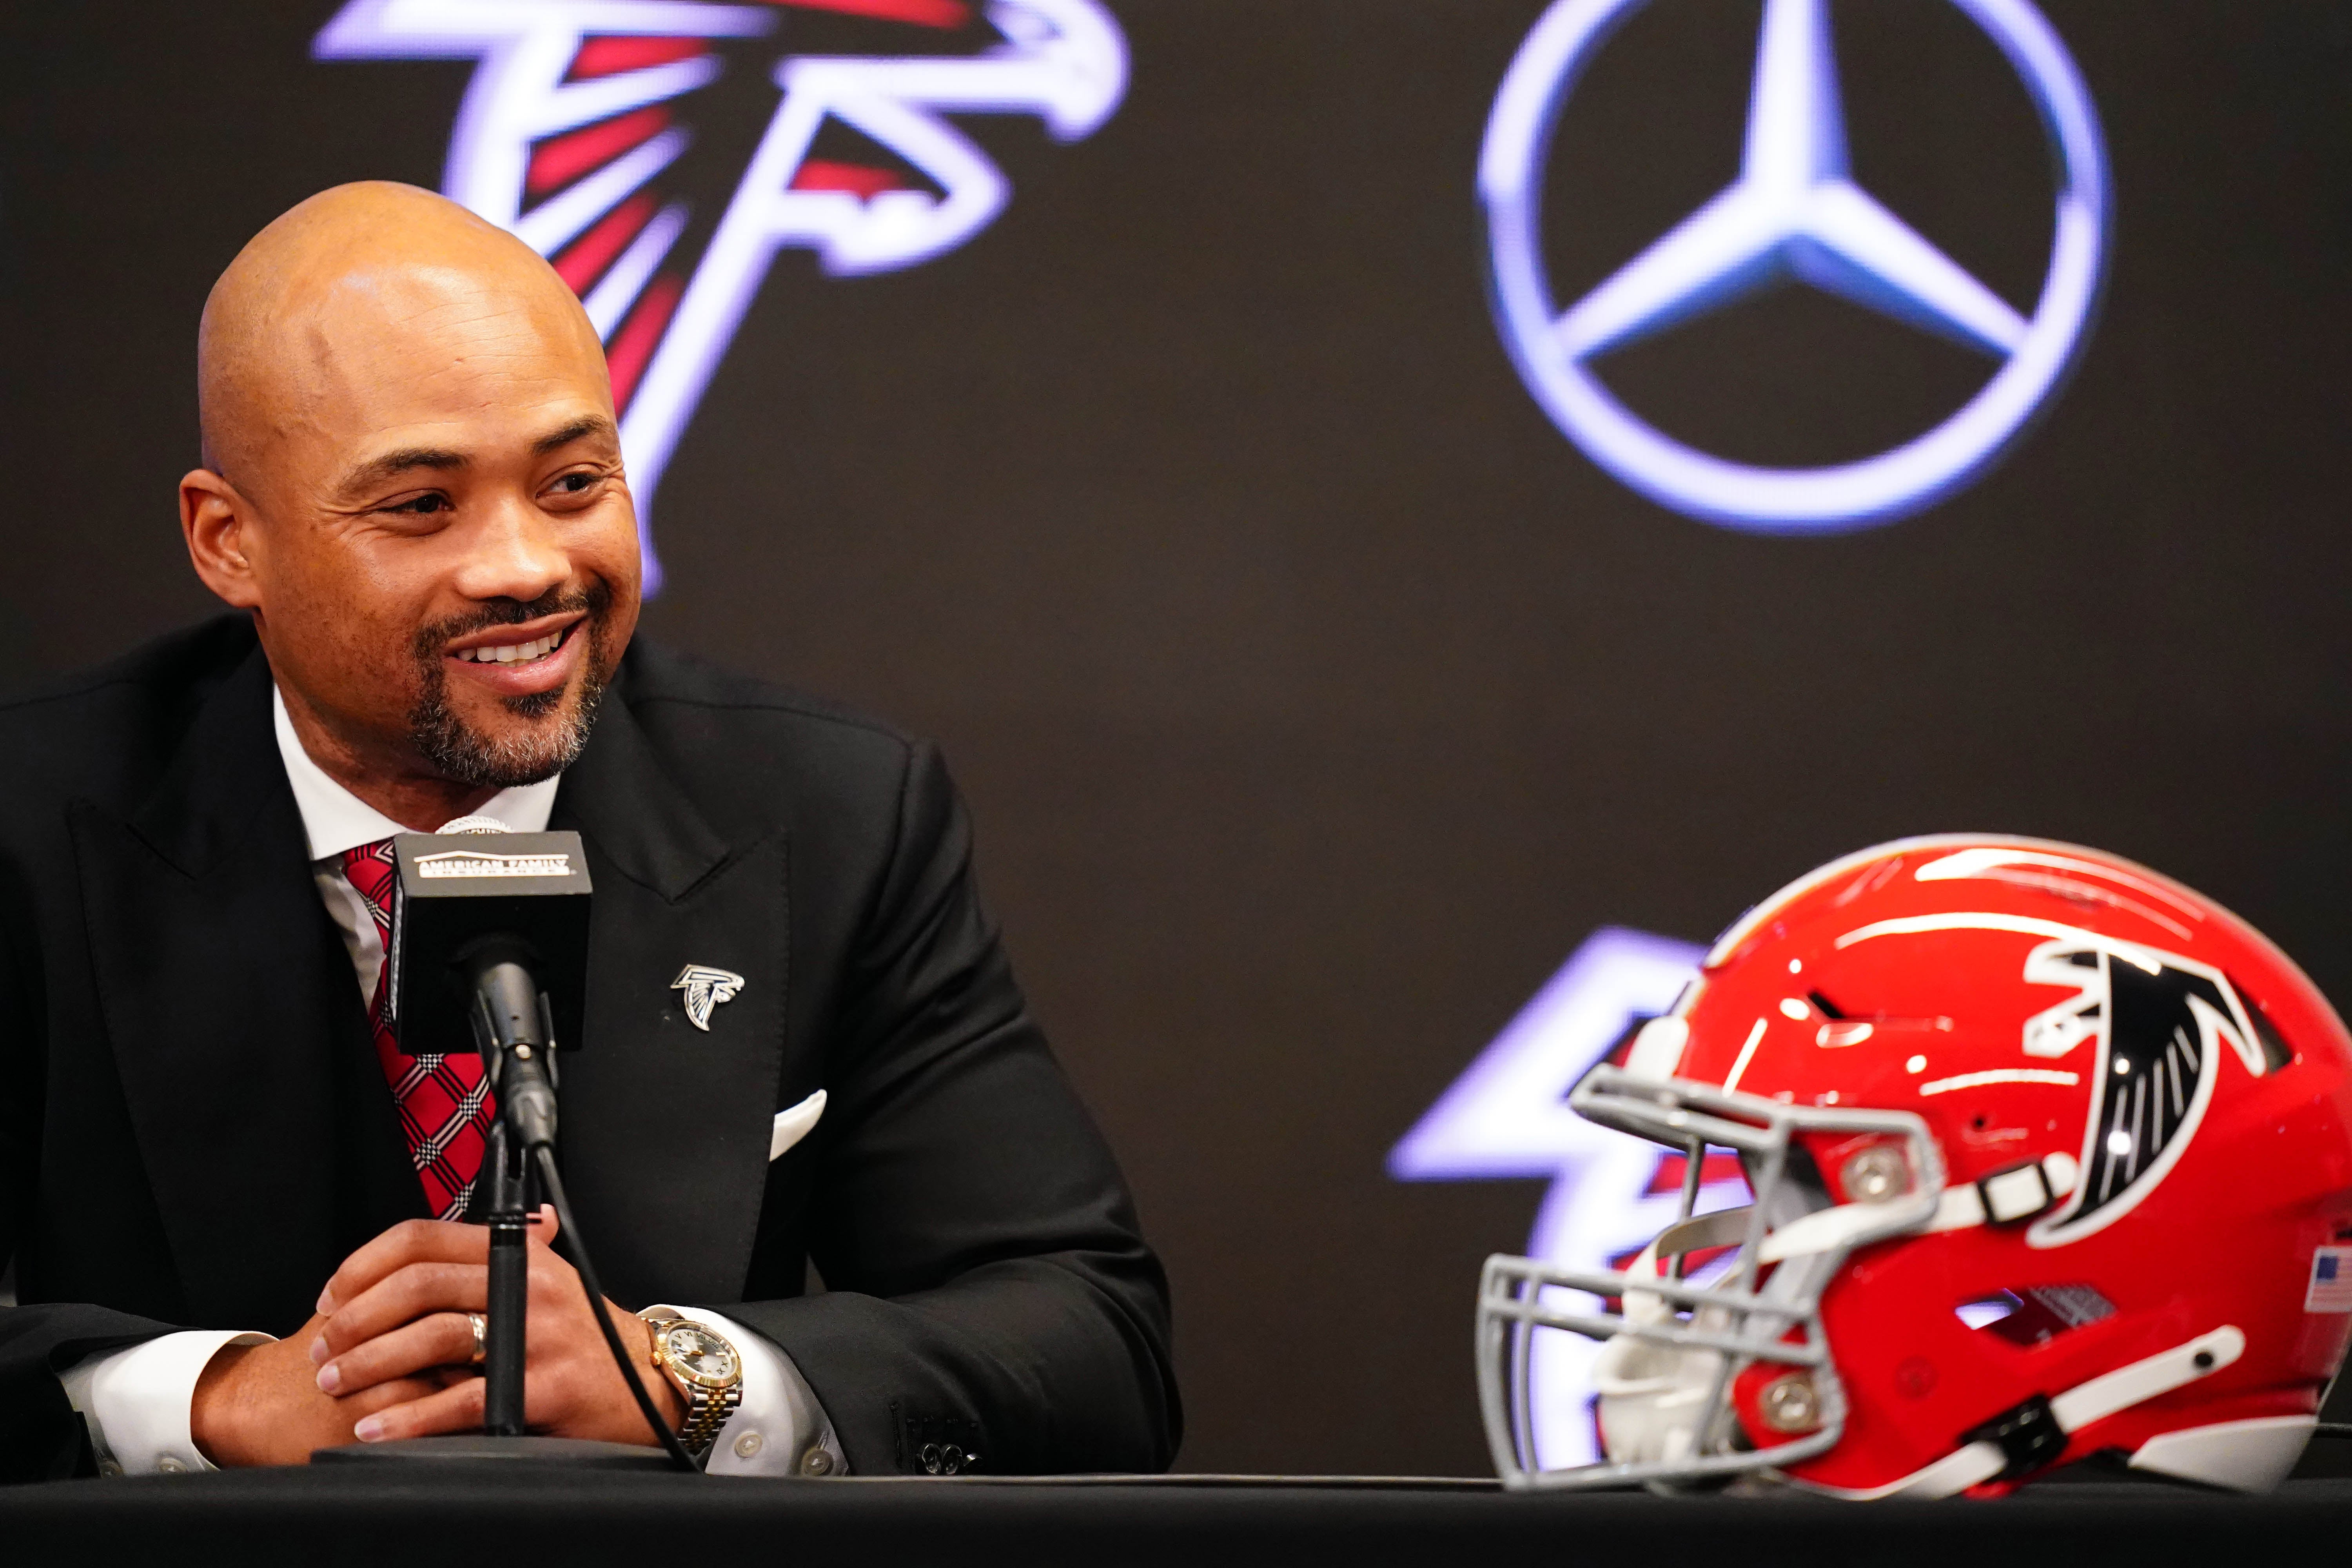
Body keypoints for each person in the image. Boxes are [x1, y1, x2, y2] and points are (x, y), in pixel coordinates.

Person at [0, 183, 1178, 1481]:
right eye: (419, 507)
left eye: (572, 482)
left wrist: (689, 1376)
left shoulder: (829, 812)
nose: (524, 565)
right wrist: (208, 1403)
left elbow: (1088, 1340)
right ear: (230, 542)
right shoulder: (30, 823)